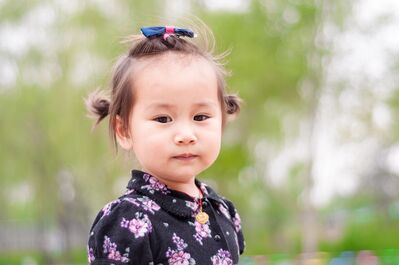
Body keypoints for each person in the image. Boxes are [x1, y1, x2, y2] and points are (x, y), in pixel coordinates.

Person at [85, 25, 245, 265]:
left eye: (200, 117)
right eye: (163, 119)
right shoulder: (129, 221)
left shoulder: (222, 211)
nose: (185, 135)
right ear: (124, 130)